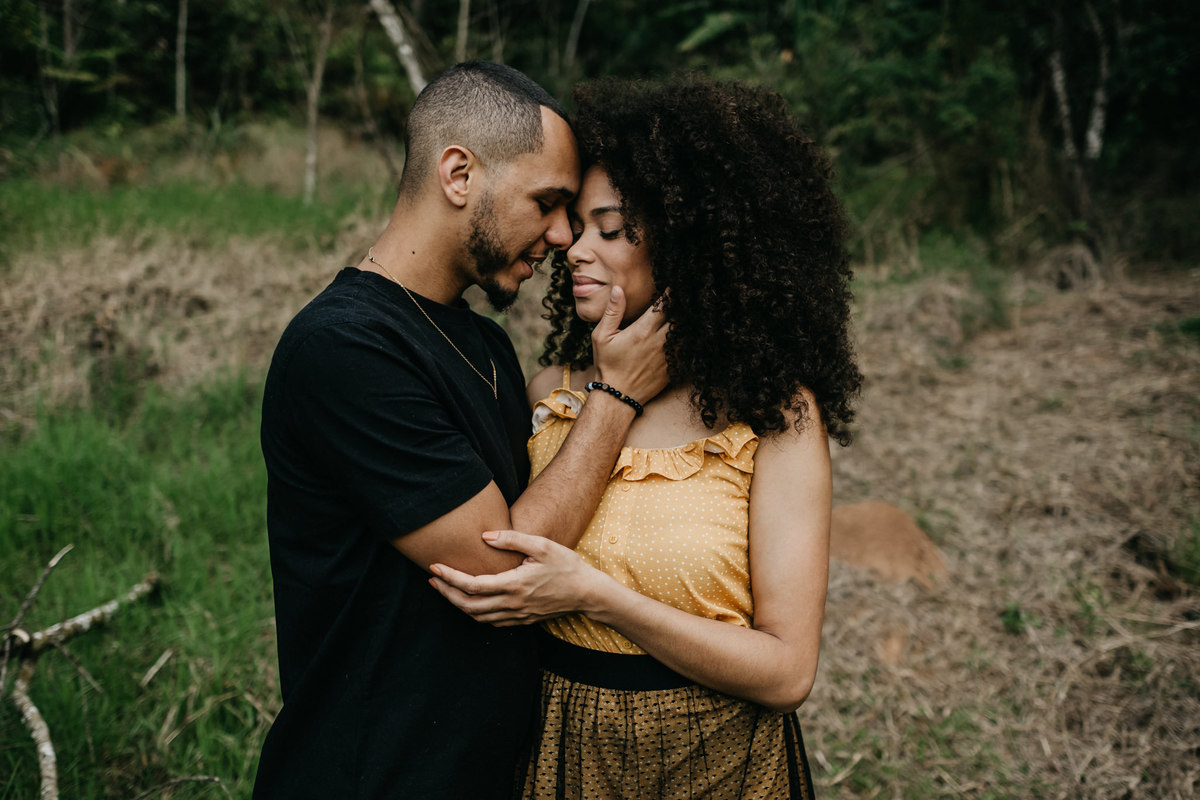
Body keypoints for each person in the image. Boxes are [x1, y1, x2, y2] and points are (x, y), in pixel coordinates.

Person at [428, 75, 863, 799]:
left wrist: (597, 597)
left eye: (611, 227)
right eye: (574, 223)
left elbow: (788, 673)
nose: (573, 248)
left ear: (691, 241)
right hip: (563, 754)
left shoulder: (774, 417)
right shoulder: (554, 394)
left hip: (717, 763)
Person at [253, 62, 668, 800]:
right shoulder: (343, 348)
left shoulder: (485, 345)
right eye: (548, 202)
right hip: (371, 777)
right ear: (457, 174)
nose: (563, 235)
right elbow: (501, 568)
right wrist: (617, 395)